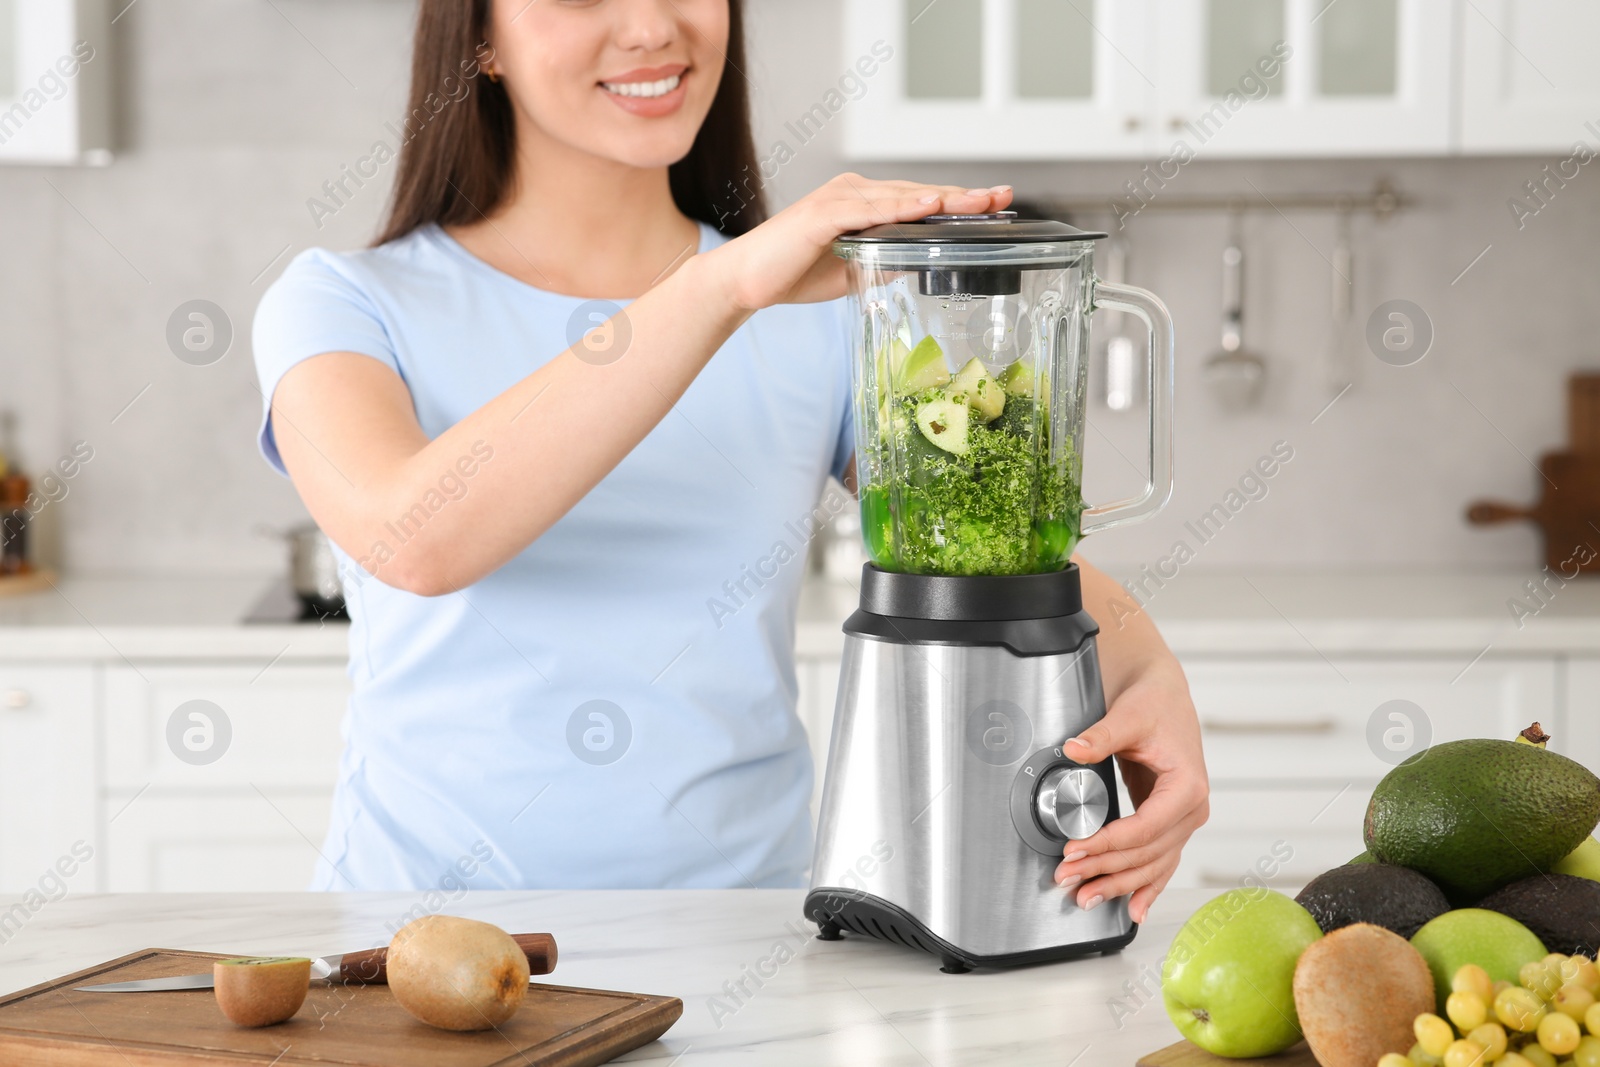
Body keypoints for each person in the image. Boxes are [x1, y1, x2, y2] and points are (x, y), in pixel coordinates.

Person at [252, 0, 1208, 923]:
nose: (651, 25)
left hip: (737, 945)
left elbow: (984, 544)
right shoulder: (340, 304)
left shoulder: (811, 315)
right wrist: (718, 288)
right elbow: (411, 536)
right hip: (419, 949)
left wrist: (1147, 671)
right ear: (482, 35)